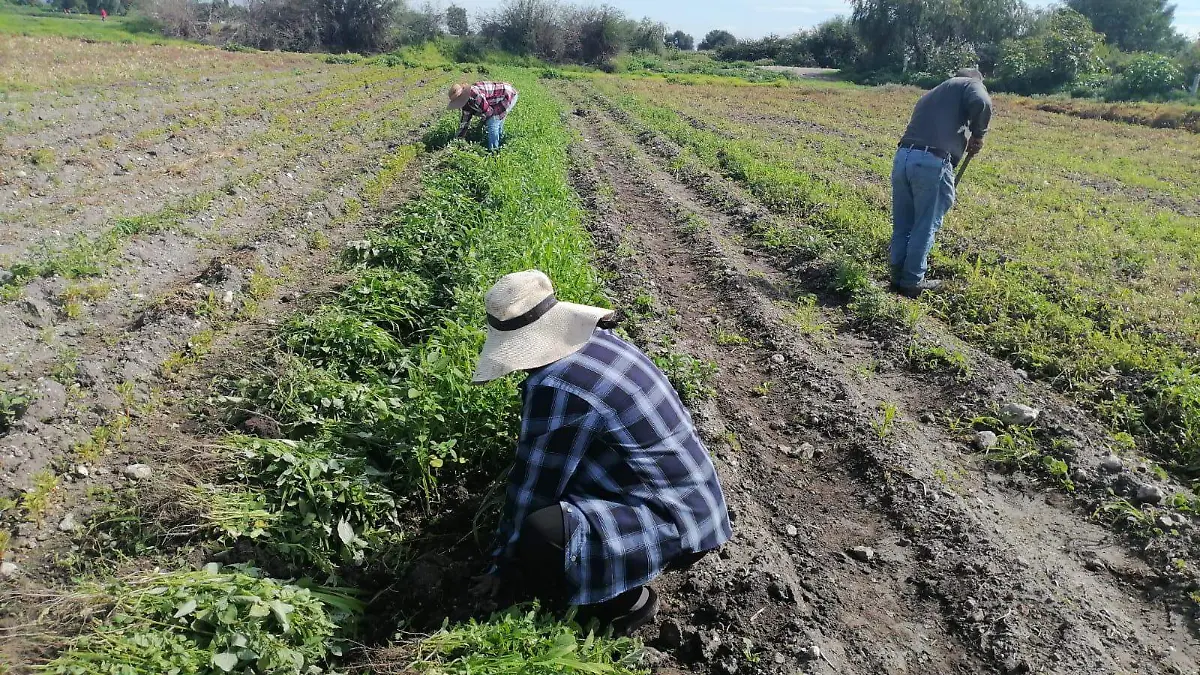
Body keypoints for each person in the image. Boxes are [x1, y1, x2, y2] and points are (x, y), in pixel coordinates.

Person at [469, 270, 732, 634]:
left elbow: (532, 490)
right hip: (698, 505)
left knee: (542, 533)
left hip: (676, 525)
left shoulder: (556, 385)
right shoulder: (600, 342)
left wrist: (502, 564)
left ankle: (624, 604)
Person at [890, 67, 992, 298]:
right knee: (924, 225)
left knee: (903, 224)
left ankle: (896, 276)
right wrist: (978, 134)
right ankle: (912, 281)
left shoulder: (933, 93)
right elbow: (981, 101)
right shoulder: (969, 84)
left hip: (904, 156)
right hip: (931, 162)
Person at [447, 81, 519, 151]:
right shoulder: (465, 103)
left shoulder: (474, 95)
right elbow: (465, 122)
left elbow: (489, 112)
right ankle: (501, 143)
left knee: (492, 122)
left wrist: (481, 124)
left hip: (507, 95)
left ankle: (494, 151)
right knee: (496, 122)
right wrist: (458, 139)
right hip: (495, 100)